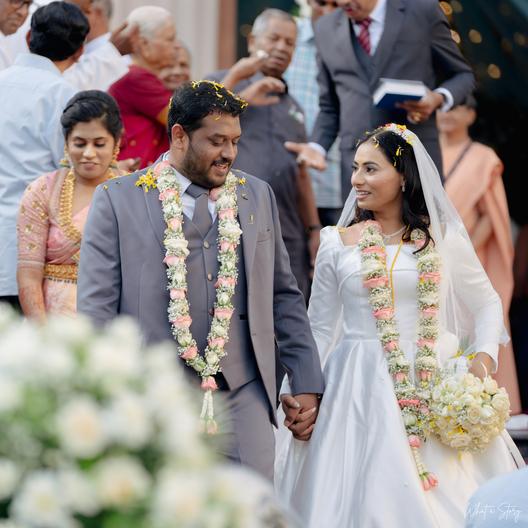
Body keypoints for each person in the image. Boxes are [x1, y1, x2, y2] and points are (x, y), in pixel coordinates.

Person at [275, 124, 523, 527]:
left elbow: (487, 303)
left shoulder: (441, 238)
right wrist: (298, 389)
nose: (357, 180)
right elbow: (318, 327)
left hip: (433, 380)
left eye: (370, 169)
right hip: (354, 386)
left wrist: (481, 363)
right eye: (355, 168)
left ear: (403, 176)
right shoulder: (336, 242)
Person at [76, 81, 324, 480]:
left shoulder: (257, 195)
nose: (229, 153)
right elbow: (96, 310)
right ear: (179, 135)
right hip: (154, 395)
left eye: (235, 141)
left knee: (256, 504)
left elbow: (283, 294)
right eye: (216, 141)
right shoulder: (117, 199)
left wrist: (305, 378)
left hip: (244, 390)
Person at [286, 0, 475, 202]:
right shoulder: (325, 27)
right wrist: (316, 146)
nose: (342, 2)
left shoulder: (423, 11)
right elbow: (329, 106)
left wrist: (437, 98)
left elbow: (463, 75)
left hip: (412, 161)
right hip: (356, 168)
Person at [208, 9, 320, 299]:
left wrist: (314, 229)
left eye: (290, 43)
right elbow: (198, 125)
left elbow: (301, 172)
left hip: (287, 228)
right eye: (274, 39)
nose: (282, 48)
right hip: (231, 222)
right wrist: (239, 92)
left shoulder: (293, 106)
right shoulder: (219, 83)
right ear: (252, 41)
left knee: (288, 307)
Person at [0, 1, 88, 309]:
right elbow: (70, 170)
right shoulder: (63, 96)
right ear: (80, 52)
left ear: (28, 37)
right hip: (27, 244)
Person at [437, 97, 522, 415]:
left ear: (471, 115)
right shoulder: (425, 152)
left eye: (456, 107)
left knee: (476, 325)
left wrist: (461, 253)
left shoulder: (483, 157)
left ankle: (479, 403)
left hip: (469, 257)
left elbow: (492, 215)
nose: (447, 113)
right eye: (442, 107)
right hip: (429, 254)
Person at [17, 91, 124, 319]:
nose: (89, 153)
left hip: (113, 319)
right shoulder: (42, 191)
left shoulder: (132, 192)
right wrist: (41, 332)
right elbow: (29, 272)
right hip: (53, 322)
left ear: (116, 143)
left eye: (99, 144)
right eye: (79, 143)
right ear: (66, 143)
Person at [284, 0, 342, 227]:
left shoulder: (356, 41)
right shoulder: (285, 37)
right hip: (287, 184)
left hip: (338, 184)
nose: (329, 11)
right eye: (322, 3)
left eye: (336, 4)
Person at [109, 5, 179, 169]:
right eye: (170, 39)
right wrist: (234, 77)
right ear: (144, 44)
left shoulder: (137, 76)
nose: (176, 45)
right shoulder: (137, 78)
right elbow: (188, 121)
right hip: (136, 175)